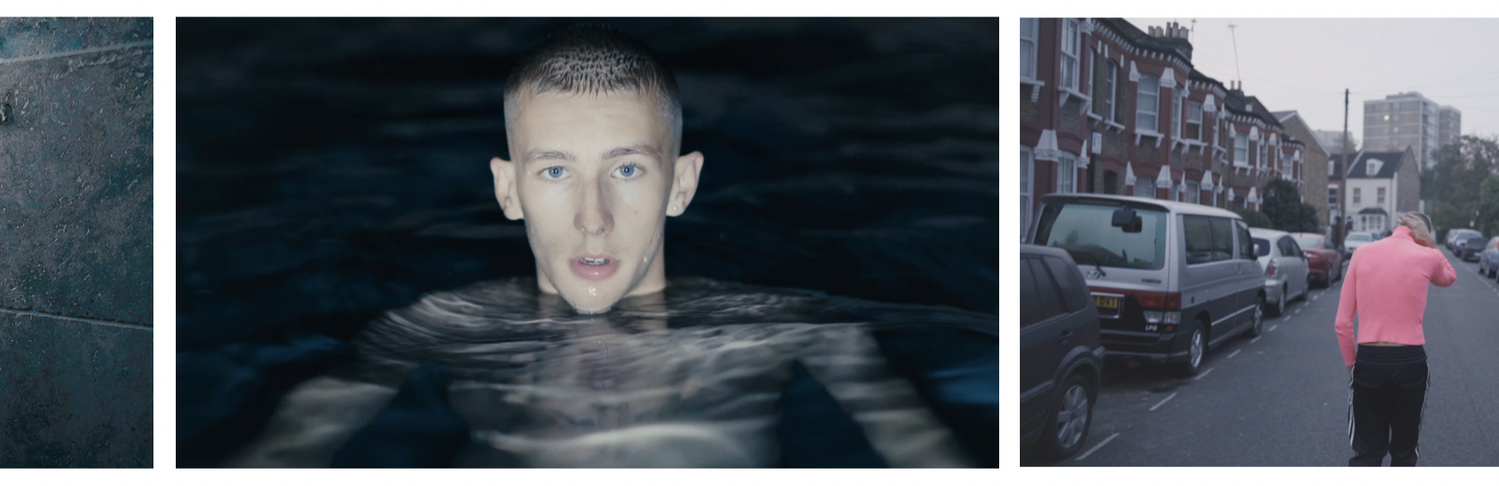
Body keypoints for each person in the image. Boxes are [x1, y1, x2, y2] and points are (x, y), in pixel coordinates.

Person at [218, 25, 974, 468]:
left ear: (681, 184)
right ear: (508, 190)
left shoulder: (786, 328)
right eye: (555, 171)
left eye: (626, 169)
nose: (592, 218)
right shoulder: (439, 326)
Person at [1332, 211, 1454, 466]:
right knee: (1404, 453)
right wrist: (1430, 243)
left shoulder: (1362, 253)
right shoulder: (1429, 256)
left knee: (1367, 453)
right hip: (1410, 362)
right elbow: (1449, 277)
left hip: (1369, 361)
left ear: (1397, 226)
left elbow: (1342, 324)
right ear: (1422, 234)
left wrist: (1352, 367)